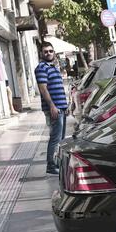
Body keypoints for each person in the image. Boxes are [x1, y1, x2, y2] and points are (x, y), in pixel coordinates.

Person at [35, 42, 69, 175]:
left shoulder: (54, 67)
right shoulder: (41, 68)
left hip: (61, 107)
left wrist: (65, 106)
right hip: (54, 109)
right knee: (55, 138)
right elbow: (43, 89)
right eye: (45, 51)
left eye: (50, 51)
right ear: (41, 54)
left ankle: (58, 163)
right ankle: (51, 165)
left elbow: (59, 88)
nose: (48, 53)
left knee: (60, 139)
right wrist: (52, 106)